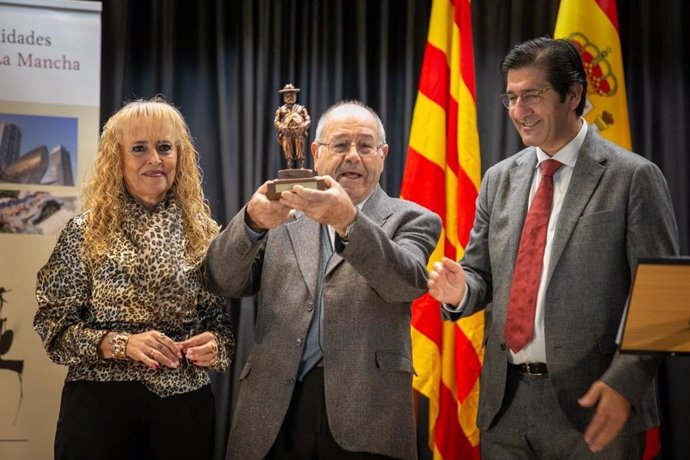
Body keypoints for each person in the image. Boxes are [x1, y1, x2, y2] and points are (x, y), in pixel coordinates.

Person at [428, 37, 679, 459]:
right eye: (510, 97)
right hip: (505, 407)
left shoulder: (632, 177)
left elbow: (665, 300)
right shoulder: (498, 179)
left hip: (595, 407)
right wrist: (460, 292)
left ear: (574, 94)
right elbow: (481, 275)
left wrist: (625, 384)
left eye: (532, 96)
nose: (518, 111)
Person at [205, 101, 441, 460]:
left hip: (367, 411)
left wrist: (349, 222)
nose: (352, 156)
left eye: (365, 146)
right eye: (340, 145)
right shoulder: (282, 212)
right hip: (274, 407)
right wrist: (251, 223)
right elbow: (223, 279)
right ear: (315, 153)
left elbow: (404, 283)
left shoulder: (413, 218)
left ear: (383, 155)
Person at [33, 97, 234, 460]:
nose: (154, 159)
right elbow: (53, 328)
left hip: (183, 410)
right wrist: (120, 344)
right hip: (99, 408)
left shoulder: (204, 233)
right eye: (139, 148)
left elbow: (220, 325)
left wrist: (216, 347)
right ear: (118, 159)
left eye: (164, 147)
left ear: (180, 157)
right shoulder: (84, 232)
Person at [274, 83, 311, 169]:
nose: (290, 97)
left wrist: (303, 126)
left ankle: (301, 165)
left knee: (300, 148)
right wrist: (282, 127)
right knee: (288, 150)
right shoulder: (281, 110)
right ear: (284, 97)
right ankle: (289, 166)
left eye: (292, 95)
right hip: (287, 133)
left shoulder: (301, 109)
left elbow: (308, 120)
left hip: (298, 132)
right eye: (287, 95)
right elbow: (276, 121)